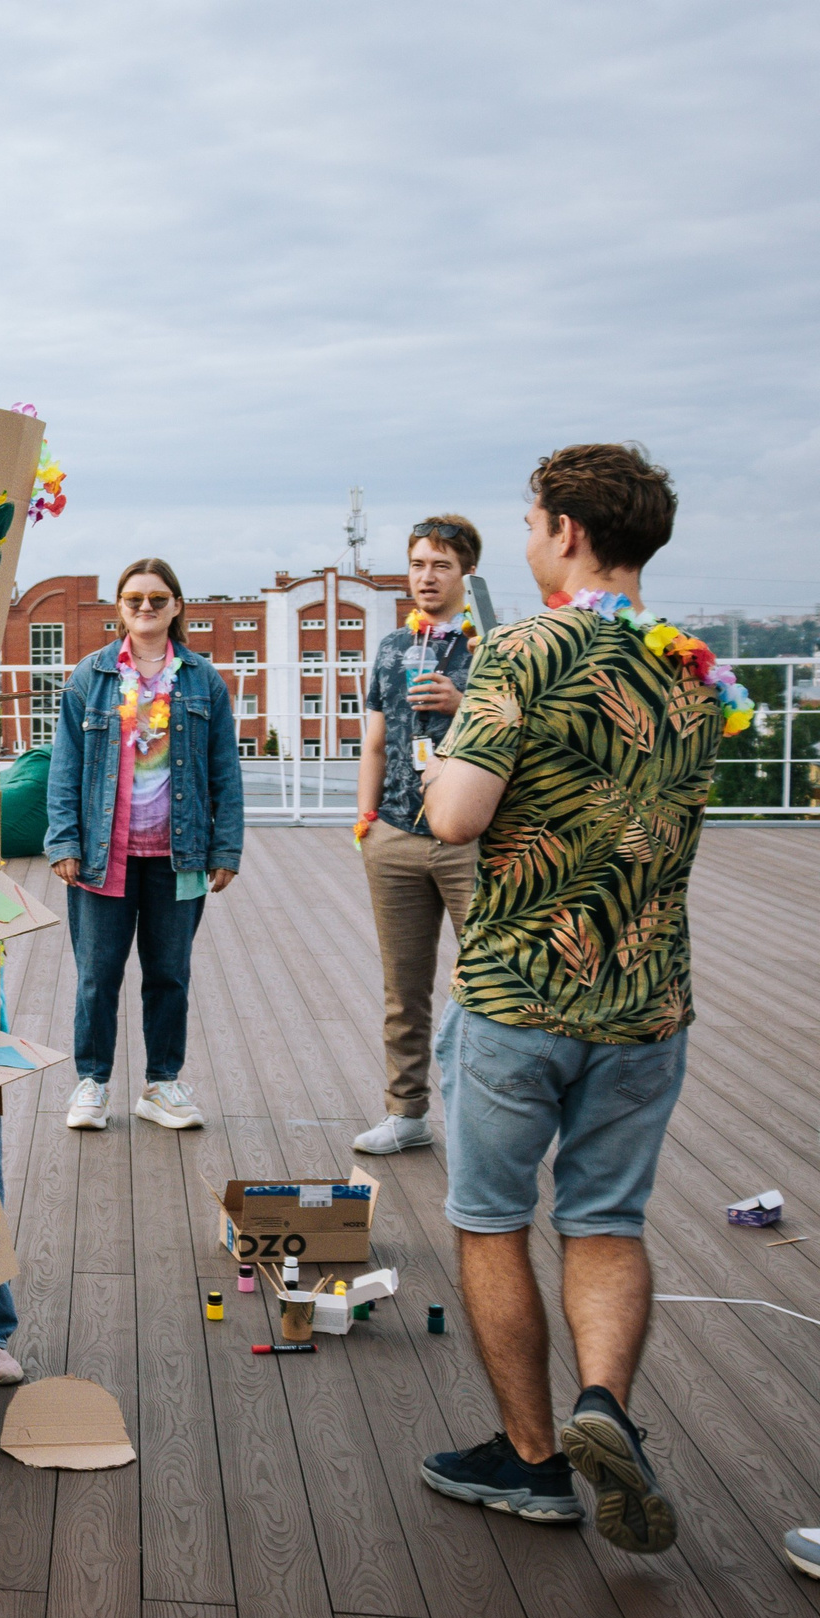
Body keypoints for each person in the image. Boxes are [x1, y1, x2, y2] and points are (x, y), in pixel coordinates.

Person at [415, 444, 739, 1555]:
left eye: (529, 523)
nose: (525, 540)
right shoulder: (696, 669)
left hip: (521, 990)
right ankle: (604, 1404)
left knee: (492, 1220)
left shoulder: (524, 648)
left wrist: (435, 767)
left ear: (567, 531)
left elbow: (457, 817)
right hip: (648, 998)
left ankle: (533, 1459)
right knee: (605, 1221)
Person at [45, 558, 243, 1133]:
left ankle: (161, 1084)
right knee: (96, 975)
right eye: (135, 599)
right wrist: (63, 840)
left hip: (179, 857)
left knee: (169, 975)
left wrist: (225, 848)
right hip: (103, 855)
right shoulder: (91, 676)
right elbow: (65, 765)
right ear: (120, 608)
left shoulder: (203, 680)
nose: (146, 608)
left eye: (158, 599)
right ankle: (92, 1083)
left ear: (177, 606)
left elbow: (225, 770)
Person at [351, 515, 482, 1156]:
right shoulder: (393, 647)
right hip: (396, 835)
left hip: (471, 840)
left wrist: (465, 702)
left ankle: (483, 1121)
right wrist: (367, 822)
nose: (426, 577)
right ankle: (406, 1114)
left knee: (487, 984)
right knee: (403, 989)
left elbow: (526, 732)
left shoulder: (495, 648)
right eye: (418, 564)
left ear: (467, 573)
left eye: (441, 566)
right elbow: (375, 742)